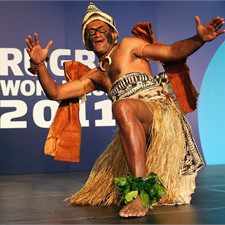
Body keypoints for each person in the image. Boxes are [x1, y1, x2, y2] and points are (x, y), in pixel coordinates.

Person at [25, 2, 224, 218]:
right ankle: (141, 181)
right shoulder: (96, 76)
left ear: (113, 33)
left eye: (101, 29)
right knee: (123, 109)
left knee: (121, 106)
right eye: (90, 32)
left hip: (159, 114)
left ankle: (141, 192)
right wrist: (40, 66)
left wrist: (199, 40)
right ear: (87, 42)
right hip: (132, 121)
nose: (96, 34)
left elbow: (171, 51)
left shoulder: (129, 46)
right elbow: (56, 93)